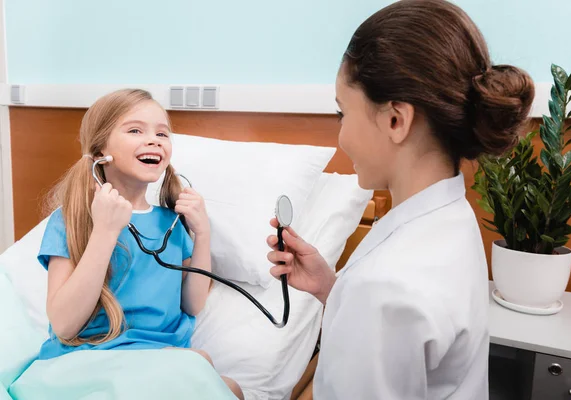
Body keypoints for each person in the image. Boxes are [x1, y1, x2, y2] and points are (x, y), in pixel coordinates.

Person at [266, 0, 534, 398]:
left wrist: (356, 298)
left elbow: (386, 304)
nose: (340, 136)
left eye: (343, 114)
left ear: (396, 119)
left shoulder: (383, 287)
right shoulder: (451, 216)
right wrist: (333, 290)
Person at [37, 88, 243, 399]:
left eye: (163, 133)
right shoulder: (72, 219)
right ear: (101, 151)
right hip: (91, 358)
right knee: (202, 368)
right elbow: (65, 325)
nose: (154, 140)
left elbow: (192, 304)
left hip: (160, 357)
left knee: (231, 388)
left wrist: (202, 234)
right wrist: (105, 232)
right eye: (135, 130)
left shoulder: (170, 222)